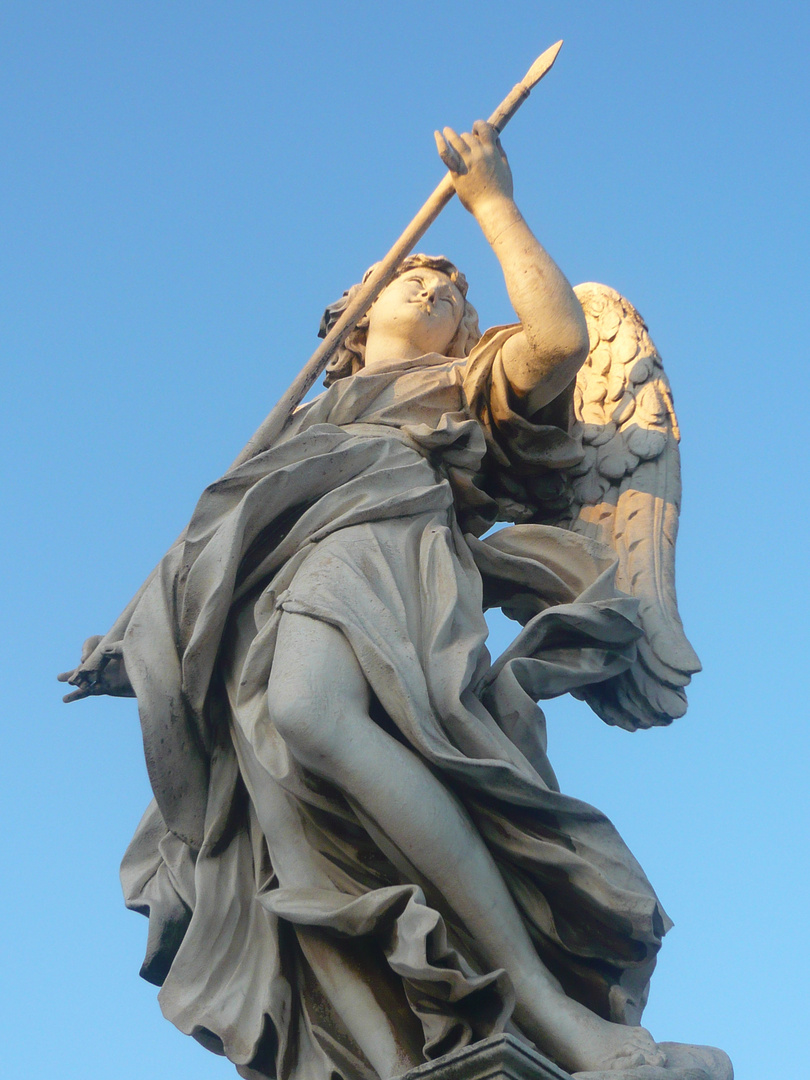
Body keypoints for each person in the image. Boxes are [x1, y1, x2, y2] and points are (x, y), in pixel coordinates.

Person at [60, 122, 672, 1080]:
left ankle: (550, 1014)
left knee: (311, 714)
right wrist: (138, 643)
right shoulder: (303, 426)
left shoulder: (460, 383)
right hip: (258, 616)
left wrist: (492, 205)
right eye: (419, 273)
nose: (445, 285)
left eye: (459, 289)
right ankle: (385, 1048)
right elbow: (213, 550)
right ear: (353, 312)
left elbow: (558, 339)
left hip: (386, 552)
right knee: (290, 837)